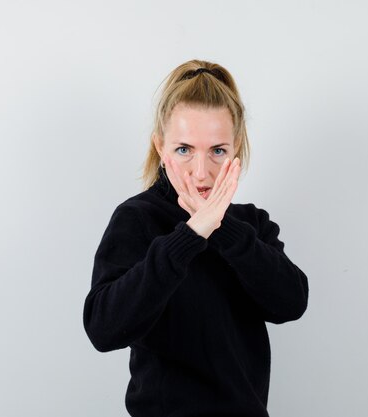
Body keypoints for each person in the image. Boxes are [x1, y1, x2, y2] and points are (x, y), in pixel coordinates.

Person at [83, 59, 309, 417]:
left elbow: (291, 303)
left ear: (235, 149)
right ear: (161, 147)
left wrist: (222, 227)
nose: (201, 172)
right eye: (184, 149)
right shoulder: (137, 219)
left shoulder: (251, 224)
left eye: (217, 151)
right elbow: (103, 329)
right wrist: (189, 236)